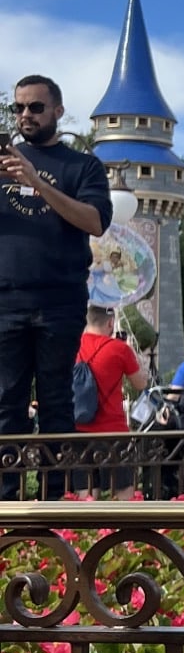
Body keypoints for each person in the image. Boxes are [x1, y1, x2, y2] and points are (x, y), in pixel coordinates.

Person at [0, 75, 113, 500]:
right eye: (19, 108)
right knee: (5, 404)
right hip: (6, 301)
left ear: (58, 112)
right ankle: (6, 504)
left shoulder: (82, 166)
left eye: (35, 107)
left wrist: (35, 179)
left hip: (59, 302)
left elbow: (95, 221)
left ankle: (53, 504)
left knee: (55, 402)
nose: (25, 115)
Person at [73, 303, 147, 494]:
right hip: (112, 431)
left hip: (79, 429)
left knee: (86, 494)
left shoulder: (72, 345)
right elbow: (140, 384)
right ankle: (124, 526)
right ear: (111, 322)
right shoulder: (119, 348)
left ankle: (87, 525)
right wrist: (133, 352)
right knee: (124, 491)